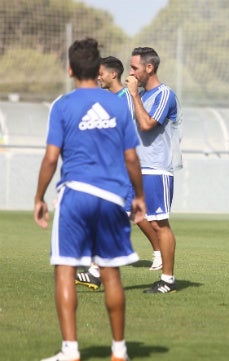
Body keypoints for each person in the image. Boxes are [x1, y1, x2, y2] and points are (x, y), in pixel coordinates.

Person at [34, 37, 144, 361]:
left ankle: (70, 351)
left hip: (75, 195)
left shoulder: (62, 106)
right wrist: (138, 196)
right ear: (99, 69)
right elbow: (132, 158)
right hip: (112, 198)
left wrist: (39, 197)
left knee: (66, 269)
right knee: (111, 272)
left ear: (70, 69)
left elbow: (51, 158)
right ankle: (119, 351)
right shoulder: (117, 104)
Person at [75, 56, 163, 291]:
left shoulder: (127, 97)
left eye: (100, 73)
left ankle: (97, 270)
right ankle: (98, 268)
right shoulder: (106, 98)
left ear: (113, 74)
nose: (98, 77)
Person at [126, 47, 182, 293]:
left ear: (149, 68)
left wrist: (134, 96)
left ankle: (167, 280)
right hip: (136, 169)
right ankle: (97, 270)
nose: (131, 72)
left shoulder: (164, 94)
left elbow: (148, 124)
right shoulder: (139, 95)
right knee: (130, 212)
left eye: (134, 67)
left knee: (160, 223)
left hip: (157, 169)